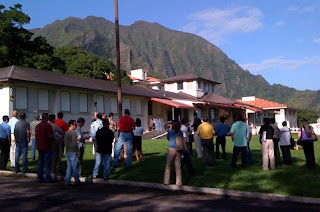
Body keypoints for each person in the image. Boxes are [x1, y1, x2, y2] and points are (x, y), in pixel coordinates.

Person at [35, 113, 54, 183]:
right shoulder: (48, 126)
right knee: (47, 163)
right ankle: (48, 177)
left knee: (40, 161)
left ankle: (39, 177)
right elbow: (50, 136)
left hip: (40, 145)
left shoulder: (38, 126)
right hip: (47, 145)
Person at [164, 120, 182, 187]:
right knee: (178, 167)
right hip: (178, 149)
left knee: (168, 165)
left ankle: (166, 181)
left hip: (171, 148)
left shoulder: (170, 132)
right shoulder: (180, 132)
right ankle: (179, 182)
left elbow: (168, 138)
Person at [64, 120, 80, 186]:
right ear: (71, 125)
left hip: (68, 151)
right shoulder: (73, 133)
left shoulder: (66, 133)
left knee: (69, 166)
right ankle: (77, 180)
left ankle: (67, 180)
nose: (76, 126)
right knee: (75, 166)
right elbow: (74, 143)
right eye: (75, 125)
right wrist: (77, 151)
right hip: (73, 151)